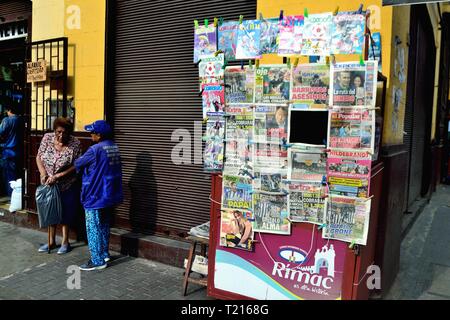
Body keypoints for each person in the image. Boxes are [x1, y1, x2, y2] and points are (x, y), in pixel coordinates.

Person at [74, 120, 123, 271]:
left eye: (92, 132)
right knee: (104, 224)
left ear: (99, 135)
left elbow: (78, 163)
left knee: (93, 227)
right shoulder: (114, 147)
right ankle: (104, 253)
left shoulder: (94, 149)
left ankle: (97, 260)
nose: (90, 135)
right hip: (109, 194)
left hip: (95, 194)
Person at [36, 117, 82, 254]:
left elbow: (76, 165)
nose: (61, 135)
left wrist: (58, 176)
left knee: (65, 212)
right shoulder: (47, 138)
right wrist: (43, 173)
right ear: (54, 130)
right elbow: (39, 157)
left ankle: (65, 242)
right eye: (58, 132)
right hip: (48, 182)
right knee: (50, 210)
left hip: (66, 183)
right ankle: (50, 241)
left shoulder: (76, 143)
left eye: (64, 132)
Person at [0, 100, 24, 196]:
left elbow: (1, 132)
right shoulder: (21, 120)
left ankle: (12, 197)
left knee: (9, 178)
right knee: (18, 176)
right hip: (20, 151)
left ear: (9, 110)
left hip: (9, 152)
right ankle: (19, 197)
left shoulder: (7, 120)